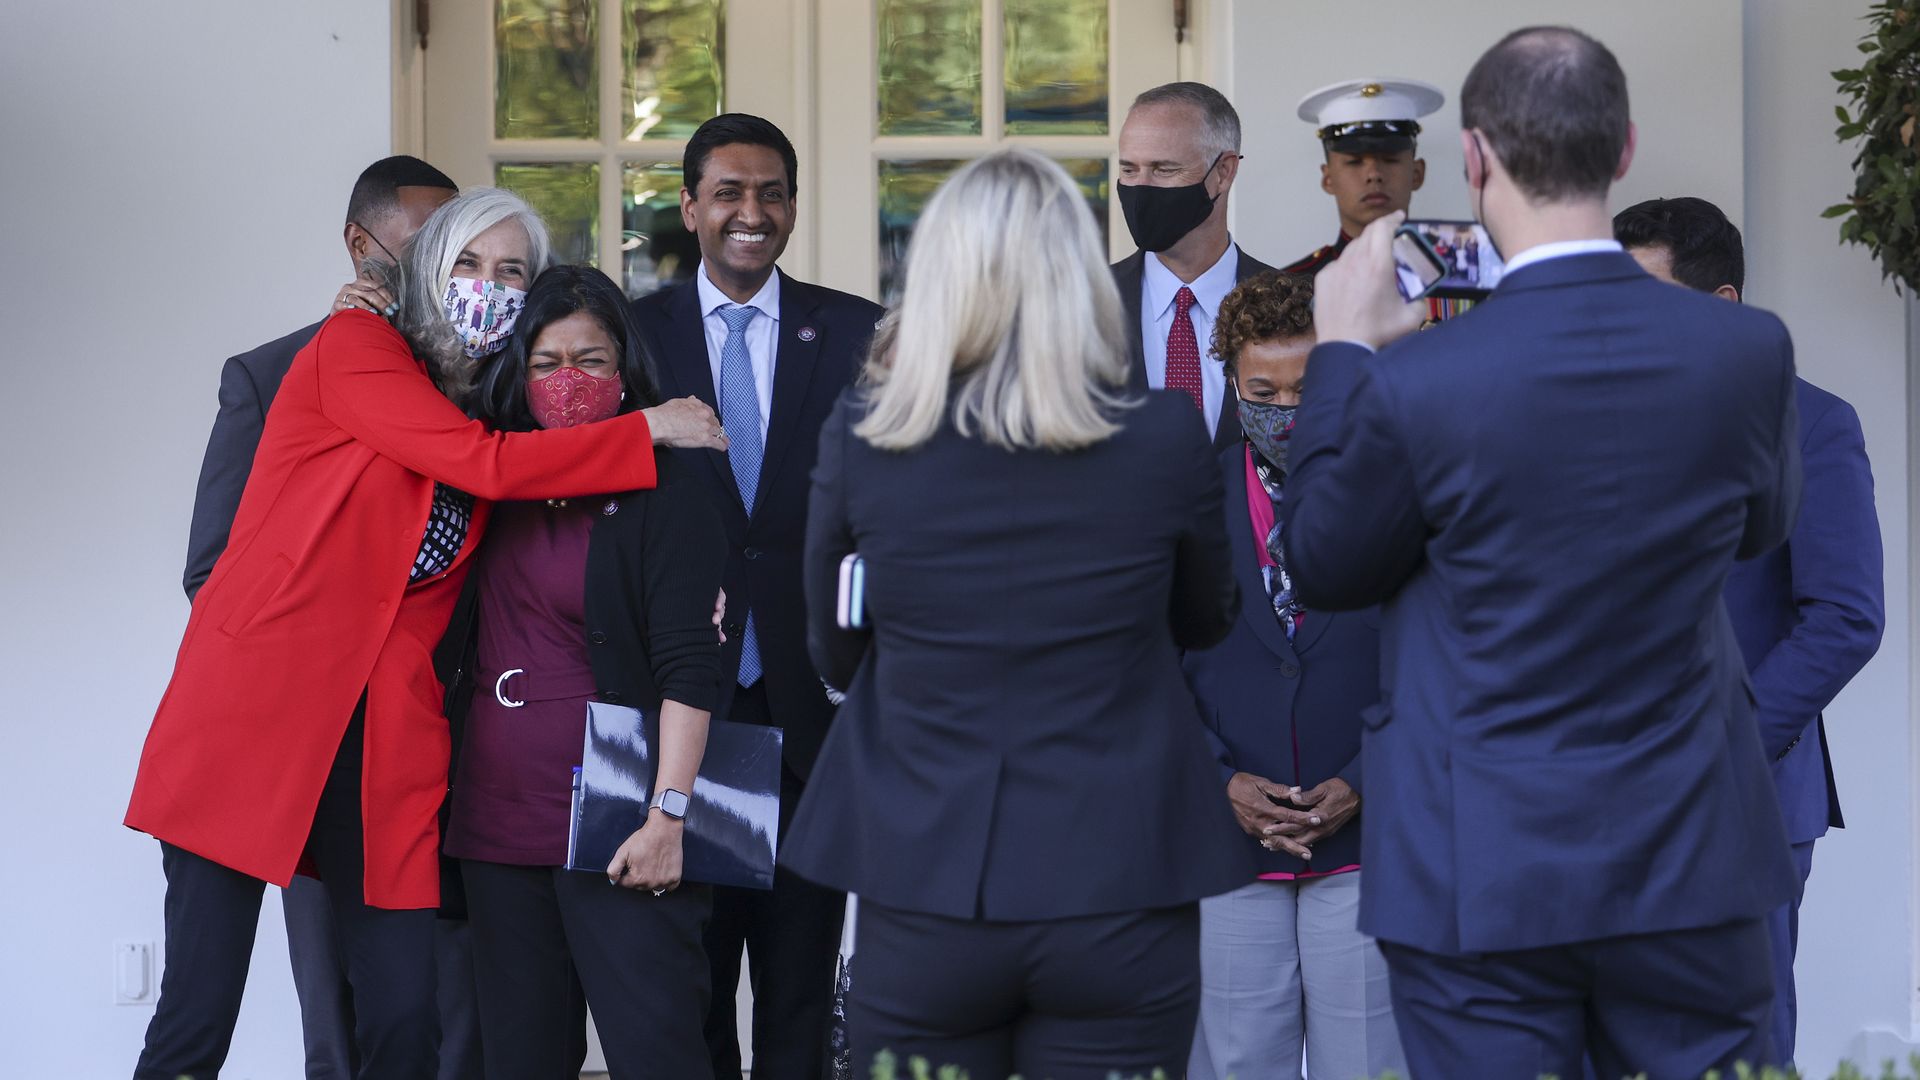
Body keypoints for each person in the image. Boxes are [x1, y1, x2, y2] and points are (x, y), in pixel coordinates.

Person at [1282, 27, 1802, 1078]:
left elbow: (1325, 563)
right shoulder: (1747, 349)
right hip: (1692, 853)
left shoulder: (1415, 380)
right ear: (1623, 150)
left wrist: (1339, 351)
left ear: (1471, 159)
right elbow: (1760, 530)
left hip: (1481, 865)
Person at [126, 187, 726, 1080]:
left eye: (512, 270)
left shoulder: (486, 399)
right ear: (426, 272)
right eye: (468, 264)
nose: (489, 284)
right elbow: (479, 467)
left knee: (410, 1019)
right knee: (199, 1013)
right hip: (256, 720)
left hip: (386, 744)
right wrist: (648, 425)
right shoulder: (357, 348)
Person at [782, 148, 1254, 1080]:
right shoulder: (1161, 431)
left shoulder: (870, 435)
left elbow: (833, 642)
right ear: (1076, 274)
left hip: (925, 870)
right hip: (1119, 874)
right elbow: (1207, 618)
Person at [180, 153, 488, 1080]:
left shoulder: (480, 377)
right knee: (334, 1022)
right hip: (299, 743)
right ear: (363, 247)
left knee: (436, 1017)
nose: (446, 268)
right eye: (426, 245)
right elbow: (213, 572)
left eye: (459, 248)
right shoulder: (275, 373)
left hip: (442, 741)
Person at [626, 112, 884, 1080]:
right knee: (683, 1000)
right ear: (689, 206)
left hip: (810, 715)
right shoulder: (632, 335)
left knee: (799, 1000)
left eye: (771, 192)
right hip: (677, 714)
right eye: (728, 192)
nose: (752, 212)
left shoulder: (855, 330)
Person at [1616, 195, 1886, 1066]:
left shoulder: (1813, 422)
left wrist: (1715, 743)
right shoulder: (1583, 422)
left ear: (1721, 307)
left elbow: (1844, 619)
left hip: (1741, 798)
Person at [443, 264, 727, 1079]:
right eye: (544, 362)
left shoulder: (665, 489)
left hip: (620, 811)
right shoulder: (488, 474)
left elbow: (687, 665)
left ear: (626, 369)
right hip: (494, 808)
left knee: (658, 1049)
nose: (567, 381)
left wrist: (669, 814)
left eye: (591, 361)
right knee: (521, 1057)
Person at [1180, 271, 1404, 1080]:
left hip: (1369, 840)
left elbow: (1438, 662)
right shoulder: (1185, 500)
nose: (1283, 409)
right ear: (1231, 386)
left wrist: (1361, 780)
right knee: (1239, 1064)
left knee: (1371, 1063)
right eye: (1260, 390)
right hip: (1228, 845)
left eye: (1307, 386)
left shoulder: (1405, 491)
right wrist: (1220, 780)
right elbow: (1148, 662)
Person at [1111, 81, 1278, 452]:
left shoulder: (1296, 307)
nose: (1141, 187)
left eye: (1163, 169)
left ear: (1223, 172)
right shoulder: (1080, 304)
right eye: (1128, 169)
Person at [1283, 78, 1443, 279]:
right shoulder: (1293, 287)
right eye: (1355, 162)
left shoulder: (1457, 277)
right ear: (1328, 179)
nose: (1374, 174)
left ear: (1417, 174)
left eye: (1390, 159)